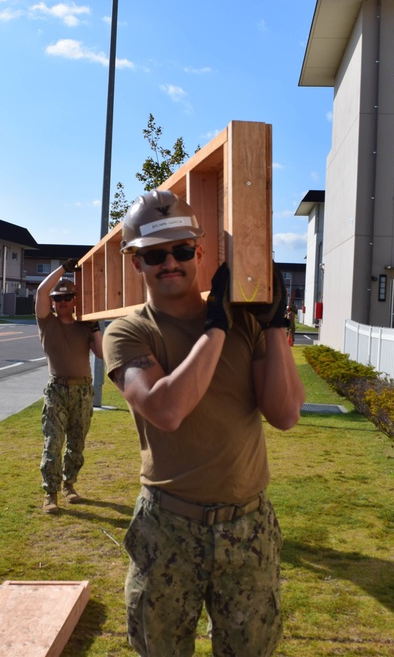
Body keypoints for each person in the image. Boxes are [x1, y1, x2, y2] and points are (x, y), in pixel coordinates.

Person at [102, 190, 306, 656]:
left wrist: (275, 325)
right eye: (156, 255)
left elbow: (285, 414)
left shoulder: (246, 323)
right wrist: (216, 328)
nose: (170, 263)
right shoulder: (128, 332)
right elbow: (166, 409)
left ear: (199, 251)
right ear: (136, 263)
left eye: (181, 249)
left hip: (248, 526)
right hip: (169, 527)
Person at [35, 261, 103, 515]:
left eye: (67, 297)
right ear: (52, 303)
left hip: (82, 391)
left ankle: (69, 485)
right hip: (57, 390)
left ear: (75, 301)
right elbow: (41, 291)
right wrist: (64, 268)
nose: (62, 302)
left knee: (77, 443)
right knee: (53, 442)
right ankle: (50, 493)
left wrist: (95, 328)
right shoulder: (47, 323)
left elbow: (102, 353)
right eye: (57, 298)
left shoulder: (85, 326)